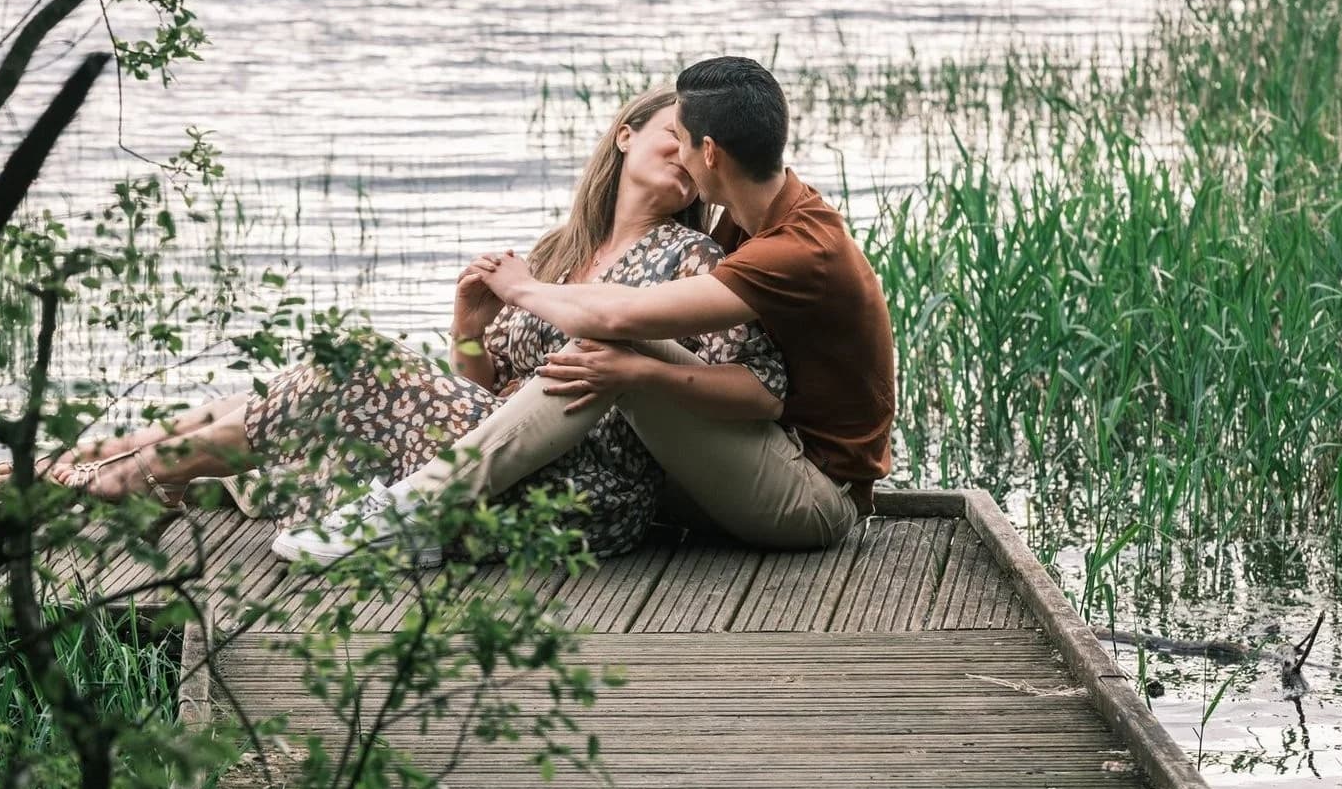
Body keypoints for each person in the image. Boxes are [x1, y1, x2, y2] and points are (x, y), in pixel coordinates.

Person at [0, 85, 787, 564]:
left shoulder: (690, 261)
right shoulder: (558, 250)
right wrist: (468, 325)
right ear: (625, 135)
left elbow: (748, 385)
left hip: (588, 493)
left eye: (697, 151)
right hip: (493, 465)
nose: (684, 157)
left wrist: (641, 373)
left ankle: (126, 474)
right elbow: (483, 393)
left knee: (351, 365)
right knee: (301, 391)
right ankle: (104, 459)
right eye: (669, 137)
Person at [283, 55, 894, 558]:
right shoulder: (755, 211)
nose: (673, 156)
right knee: (605, 352)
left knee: (614, 341)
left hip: (812, 496)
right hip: (732, 468)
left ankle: (415, 508)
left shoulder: (796, 248)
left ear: (709, 154)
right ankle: (403, 508)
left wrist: (523, 289)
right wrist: (474, 328)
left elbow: (623, 322)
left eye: (678, 141)